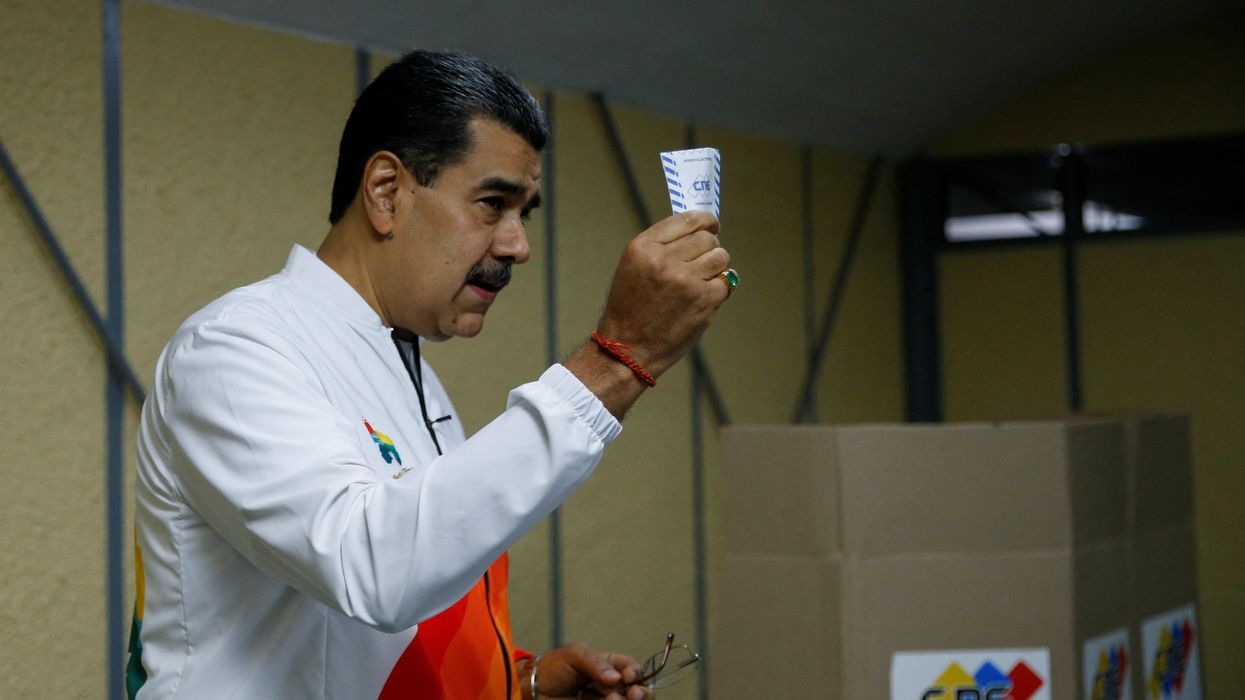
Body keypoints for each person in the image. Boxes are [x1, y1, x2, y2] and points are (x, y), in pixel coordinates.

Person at [125, 49, 733, 700]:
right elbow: (374, 570)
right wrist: (617, 357)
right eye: (492, 204)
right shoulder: (237, 348)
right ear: (385, 192)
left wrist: (517, 681)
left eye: (522, 214)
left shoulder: (406, 369)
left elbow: (413, 583)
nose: (516, 246)